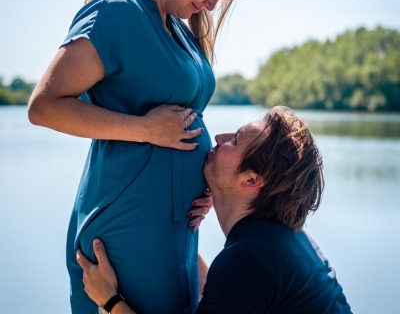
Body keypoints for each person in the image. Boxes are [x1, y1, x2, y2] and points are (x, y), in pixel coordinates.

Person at [27, 0, 259, 313]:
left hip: (173, 229)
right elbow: (43, 107)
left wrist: (202, 181)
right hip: (128, 223)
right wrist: (144, 129)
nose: (213, 3)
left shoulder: (179, 26)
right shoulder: (117, 11)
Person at [77, 106, 353, 313]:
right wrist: (172, 234)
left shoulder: (249, 260)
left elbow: (239, 280)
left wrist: (110, 299)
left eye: (235, 140)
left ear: (251, 180)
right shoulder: (283, 240)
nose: (220, 137)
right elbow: (236, 295)